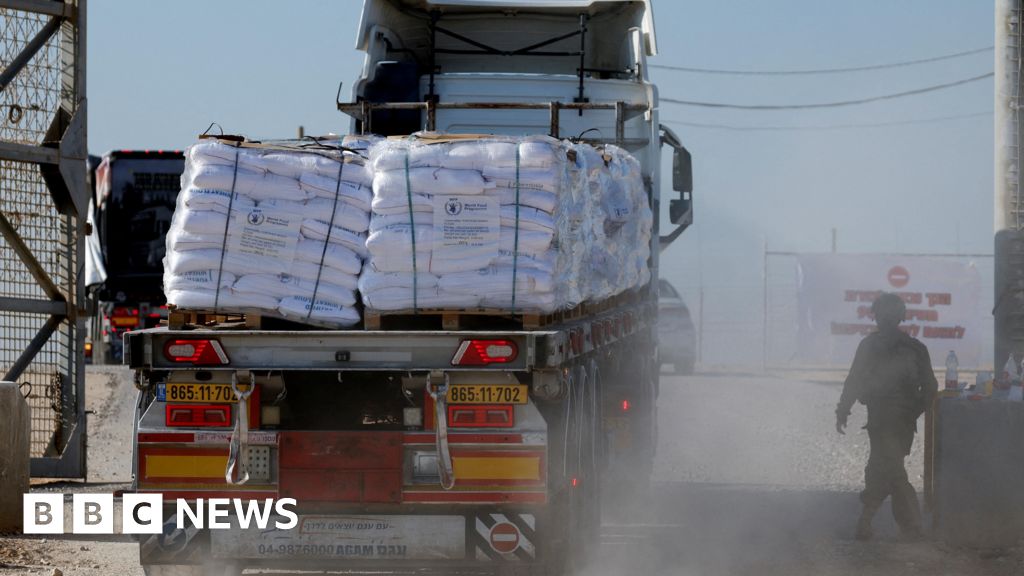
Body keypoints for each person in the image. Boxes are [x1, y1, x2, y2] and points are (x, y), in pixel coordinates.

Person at [835, 292, 937, 540]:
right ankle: (907, 527)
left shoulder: (870, 346)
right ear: (901, 317)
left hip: (882, 421)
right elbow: (930, 388)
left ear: (876, 317)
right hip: (899, 423)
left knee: (886, 469)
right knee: (888, 469)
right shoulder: (916, 348)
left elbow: (854, 380)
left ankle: (885, 524)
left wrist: (843, 409)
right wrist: (914, 411)